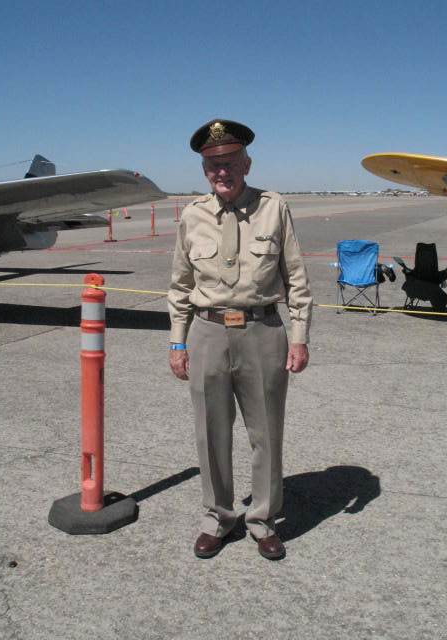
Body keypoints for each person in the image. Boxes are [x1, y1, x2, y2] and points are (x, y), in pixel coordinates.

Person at [168, 119, 313, 560]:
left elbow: (296, 278)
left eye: (230, 162)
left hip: (262, 331)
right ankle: (218, 517)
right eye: (213, 166)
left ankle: (263, 519)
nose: (222, 172)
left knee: (266, 432)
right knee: (210, 432)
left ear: (247, 164)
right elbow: (180, 285)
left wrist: (299, 336)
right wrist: (177, 341)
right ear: (204, 171)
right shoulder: (192, 215)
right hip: (207, 332)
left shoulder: (274, 208)